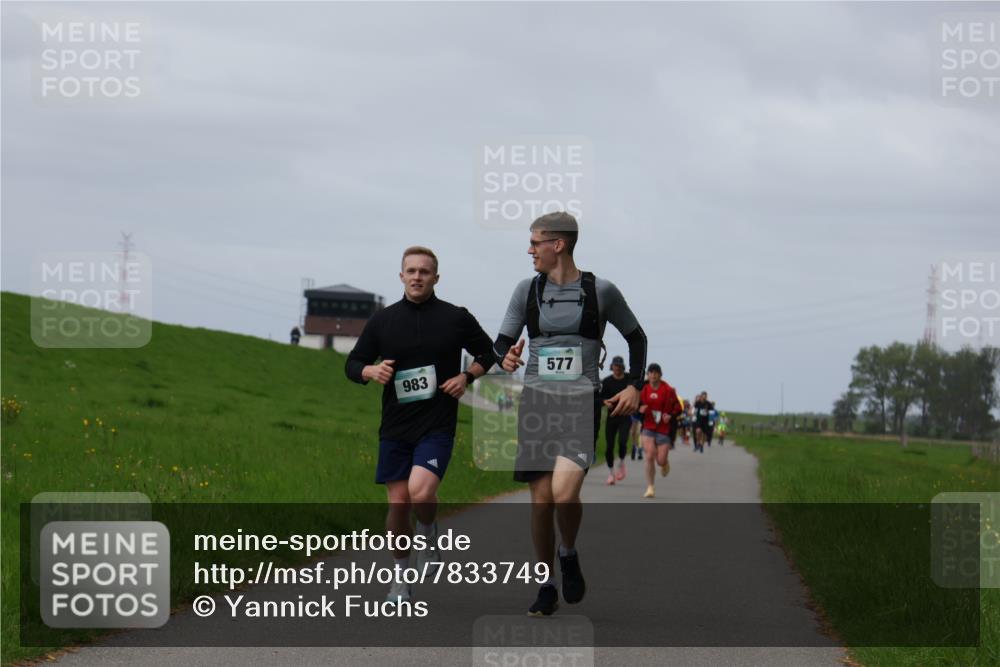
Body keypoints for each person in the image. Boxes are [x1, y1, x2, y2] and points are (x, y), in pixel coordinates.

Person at [494, 212, 647, 616]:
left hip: (580, 403)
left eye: (535, 242)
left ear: (557, 245)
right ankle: (546, 583)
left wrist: (635, 385)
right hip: (536, 404)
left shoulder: (601, 291)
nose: (530, 250)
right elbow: (502, 342)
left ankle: (568, 551)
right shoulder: (526, 290)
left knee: (564, 495)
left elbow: (636, 338)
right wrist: (505, 357)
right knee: (541, 502)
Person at [345, 246, 495, 605]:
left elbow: (488, 352)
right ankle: (400, 581)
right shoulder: (383, 321)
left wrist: (466, 376)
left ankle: (427, 532)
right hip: (395, 427)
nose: (417, 277)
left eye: (424, 272)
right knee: (398, 505)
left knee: (421, 492)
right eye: (411, 271)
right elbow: (353, 363)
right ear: (401, 276)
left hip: (436, 423)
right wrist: (371, 371)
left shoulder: (455, 317)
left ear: (435, 278)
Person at [638, 363, 682, 498]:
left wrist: (670, 415)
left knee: (660, 460)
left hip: (663, 428)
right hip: (648, 427)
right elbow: (635, 406)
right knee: (649, 456)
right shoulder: (643, 389)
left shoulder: (668, 390)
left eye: (656, 373)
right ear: (647, 375)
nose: (653, 375)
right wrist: (639, 410)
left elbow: (678, 408)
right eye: (651, 372)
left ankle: (665, 463)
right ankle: (650, 487)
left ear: (660, 375)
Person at [600, 355, 632, 484]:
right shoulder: (607, 381)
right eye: (615, 366)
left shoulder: (629, 379)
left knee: (623, 442)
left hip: (625, 416)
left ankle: (621, 463)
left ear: (623, 367)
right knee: (609, 446)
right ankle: (611, 473)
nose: (617, 368)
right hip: (612, 417)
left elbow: (637, 390)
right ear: (612, 367)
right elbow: (601, 397)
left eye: (619, 366)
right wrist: (605, 402)